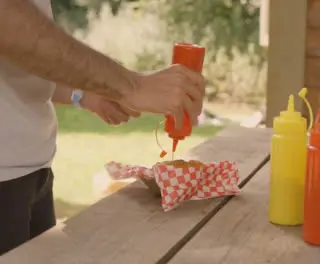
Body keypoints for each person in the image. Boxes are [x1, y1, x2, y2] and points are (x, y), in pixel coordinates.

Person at [0, 0, 205, 255]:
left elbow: (19, 60)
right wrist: (132, 86)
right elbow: (9, 23)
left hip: (32, 172)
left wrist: (83, 93)